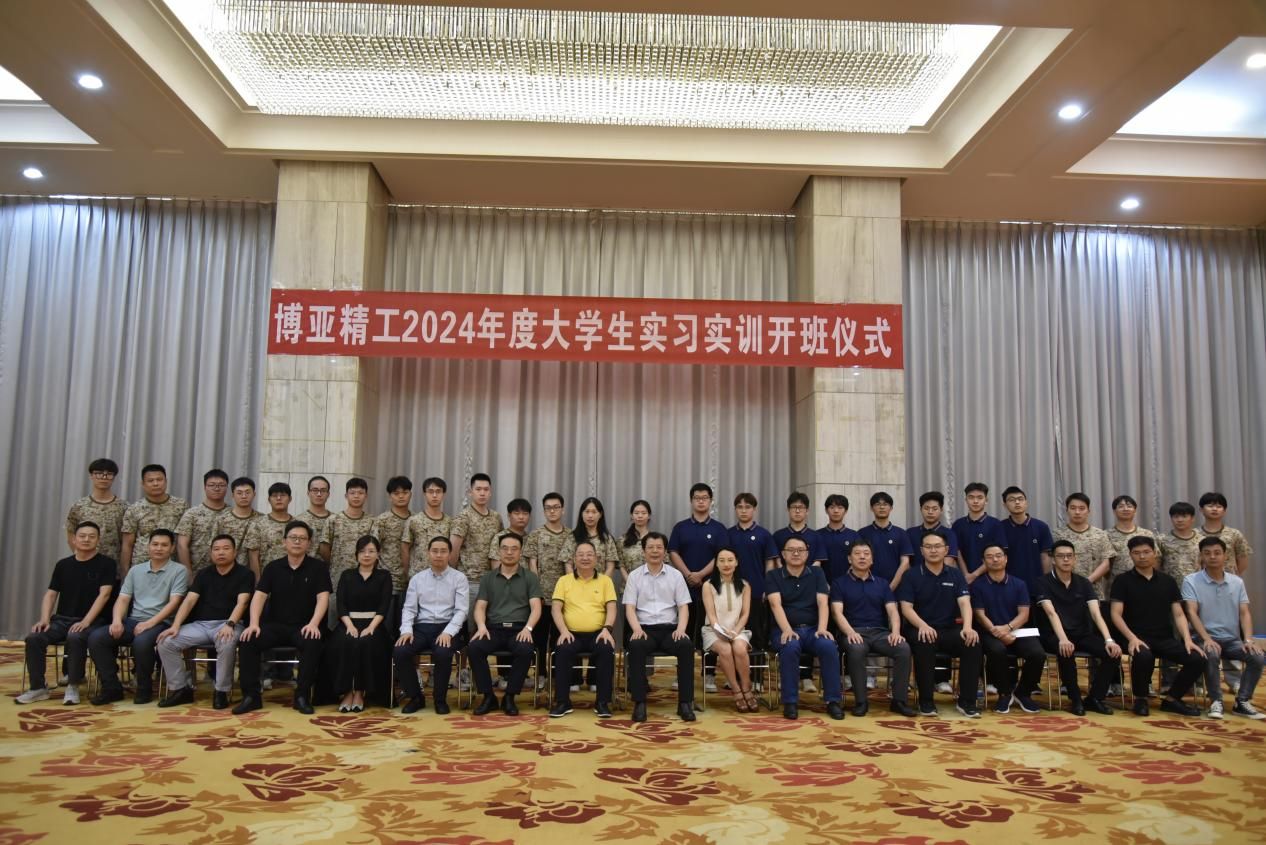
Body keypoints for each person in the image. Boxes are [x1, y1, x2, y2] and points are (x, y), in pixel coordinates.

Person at [233, 521, 332, 715]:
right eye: (293, 538)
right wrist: (253, 624)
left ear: (309, 543)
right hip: (276, 625)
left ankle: (302, 696)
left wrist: (314, 624)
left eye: (302, 538)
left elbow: (323, 598)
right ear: (284, 542)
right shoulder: (273, 567)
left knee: (313, 641)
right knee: (248, 639)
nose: (297, 542)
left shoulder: (318, 568)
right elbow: (259, 596)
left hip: (304, 626)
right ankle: (251, 697)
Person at [17, 521, 115, 705]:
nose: (86, 539)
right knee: (34, 638)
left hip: (92, 621)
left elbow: (104, 595)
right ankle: (38, 688)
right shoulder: (63, 565)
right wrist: (44, 619)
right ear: (74, 539)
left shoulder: (107, 564)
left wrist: (86, 621)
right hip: (62, 620)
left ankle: (73, 685)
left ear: (98, 540)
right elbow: (51, 594)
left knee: (75, 636)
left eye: (92, 536)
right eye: (82, 536)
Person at [87, 529, 188, 705]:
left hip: (161, 622)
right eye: (155, 544)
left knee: (141, 642)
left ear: (172, 548)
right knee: (97, 638)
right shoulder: (136, 570)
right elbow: (123, 599)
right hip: (133, 621)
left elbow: (174, 603)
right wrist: (117, 620)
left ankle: (144, 687)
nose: (159, 548)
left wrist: (149, 623)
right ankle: (111, 687)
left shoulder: (179, 570)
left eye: (164, 545)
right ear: (148, 546)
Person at [1109, 535, 1206, 717]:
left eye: (1146, 552)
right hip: (1133, 637)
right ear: (1130, 555)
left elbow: (1178, 614)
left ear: (1154, 553)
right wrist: (1132, 638)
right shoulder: (1122, 580)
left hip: (1163, 637)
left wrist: (1187, 639)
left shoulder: (1167, 581)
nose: (1142, 556)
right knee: (1144, 655)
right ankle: (1140, 699)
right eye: (1136, 553)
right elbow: (1115, 614)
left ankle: (1172, 699)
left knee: (1197, 658)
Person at [155, 534, 254, 709]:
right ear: (211, 553)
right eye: (216, 549)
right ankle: (180, 689)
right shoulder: (203, 574)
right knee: (166, 641)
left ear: (235, 552)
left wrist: (230, 624)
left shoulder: (245, 574)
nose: (221, 552)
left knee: (226, 641)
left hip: (229, 624)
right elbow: (189, 601)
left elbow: (243, 602)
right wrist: (175, 625)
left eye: (226, 549)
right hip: (201, 625)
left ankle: (221, 691)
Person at [898, 533, 982, 718]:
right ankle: (926, 701)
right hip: (919, 628)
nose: (933, 550)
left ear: (946, 550)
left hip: (949, 628)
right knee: (925, 642)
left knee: (972, 643)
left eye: (937, 546)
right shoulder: (911, 575)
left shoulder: (955, 574)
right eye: (928, 547)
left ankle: (967, 701)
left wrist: (968, 627)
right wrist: (923, 626)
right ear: (922, 551)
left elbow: (964, 603)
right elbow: (906, 608)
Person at [1034, 539, 1122, 715]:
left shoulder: (1083, 583)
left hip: (1081, 633)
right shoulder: (1042, 582)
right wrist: (1063, 639)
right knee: (1066, 651)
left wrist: (1109, 640)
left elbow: (1096, 614)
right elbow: (1051, 613)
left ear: (1075, 559)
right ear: (1053, 560)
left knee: (1112, 653)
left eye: (1069, 556)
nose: (1066, 560)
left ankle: (1094, 698)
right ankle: (1075, 700)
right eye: (1061, 556)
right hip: (1054, 634)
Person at [1181, 536, 1265, 719]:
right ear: (1201, 556)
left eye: (1217, 553)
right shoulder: (1191, 580)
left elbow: (1244, 613)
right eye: (1207, 553)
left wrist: (1248, 639)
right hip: (1203, 638)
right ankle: (1216, 701)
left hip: (1232, 640)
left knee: (1257, 657)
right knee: (1210, 653)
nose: (1212, 557)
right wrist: (1206, 638)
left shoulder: (1237, 582)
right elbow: (1191, 613)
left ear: (1225, 556)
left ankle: (1242, 701)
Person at [829, 540, 914, 717]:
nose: (862, 557)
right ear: (849, 559)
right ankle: (861, 701)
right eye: (857, 553)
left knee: (903, 648)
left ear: (872, 559)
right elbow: (837, 613)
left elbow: (893, 611)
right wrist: (850, 632)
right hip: (853, 632)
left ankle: (899, 701)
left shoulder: (882, 584)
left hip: (880, 633)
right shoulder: (839, 583)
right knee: (856, 649)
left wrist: (896, 632)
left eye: (866, 554)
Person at [766, 537, 844, 720]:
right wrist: (787, 629)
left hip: (812, 629)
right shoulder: (774, 575)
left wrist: (822, 628)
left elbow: (823, 603)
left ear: (807, 554)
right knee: (790, 646)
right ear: (783, 554)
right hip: (784, 629)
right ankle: (790, 702)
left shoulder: (817, 573)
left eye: (800, 550)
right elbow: (775, 605)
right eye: (791, 550)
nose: (796, 553)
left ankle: (833, 701)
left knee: (828, 646)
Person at [624, 532, 696, 722]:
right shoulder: (634, 576)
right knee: (636, 646)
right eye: (650, 547)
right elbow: (630, 608)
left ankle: (685, 703)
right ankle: (639, 703)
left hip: (670, 629)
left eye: (659, 548)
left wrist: (681, 630)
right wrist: (636, 629)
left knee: (686, 646)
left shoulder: (676, 575)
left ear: (665, 552)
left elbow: (683, 606)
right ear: (643, 551)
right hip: (644, 629)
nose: (655, 551)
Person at [469, 532, 541, 716]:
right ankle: (488, 697)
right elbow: (480, 607)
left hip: (519, 629)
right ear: (499, 551)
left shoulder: (530, 577)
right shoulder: (488, 578)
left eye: (514, 549)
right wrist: (481, 626)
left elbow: (536, 607)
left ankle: (510, 696)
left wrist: (528, 629)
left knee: (525, 650)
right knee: (475, 647)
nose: (509, 552)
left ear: (520, 552)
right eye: (505, 548)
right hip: (493, 628)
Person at [395, 536, 468, 714]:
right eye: (435, 551)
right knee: (401, 651)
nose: (439, 555)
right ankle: (416, 697)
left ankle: (439, 699)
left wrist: (448, 632)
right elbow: (409, 609)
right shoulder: (417, 579)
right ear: (428, 553)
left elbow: (461, 611)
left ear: (450, 554)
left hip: (447, 627)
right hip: (421, 628)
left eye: (443, 551)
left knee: (443, 652)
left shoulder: (459, 578)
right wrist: (406, 631)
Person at [970, 543, 1046, 714]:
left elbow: (1024, 614)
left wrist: (1008, 628)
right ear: (983, 561)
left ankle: (1023, 692)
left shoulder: (1019, 584)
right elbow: (980, 615)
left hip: (1016, 629)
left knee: (1037, 654)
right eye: (990, 557)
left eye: (998, 555)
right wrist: (998, 632)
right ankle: (1004, 692)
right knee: (997, 650)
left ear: (1006, 559)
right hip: (990, 631)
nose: (995, 559)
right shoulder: (977, 586)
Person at [669, 483, 728, 692]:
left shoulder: (719, 529)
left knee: (710, 631)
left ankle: (709, 675)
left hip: (710, 589)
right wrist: (688, 575)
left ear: (711, 501)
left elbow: (722, 556)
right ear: (691, 500)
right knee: (683, 631)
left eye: (705, 498)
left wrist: (701, 575)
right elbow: (673, 552)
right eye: (697, 498)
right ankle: (681, 674)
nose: (701, 501)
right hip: (684, 588)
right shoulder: (681, 527)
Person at [549, 540, 618, 718]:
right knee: (562, 650)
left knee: (606, 649)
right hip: (570, 633)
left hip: (598, 633)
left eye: (589, 554)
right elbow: (556, 609)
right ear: (574, 558)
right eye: (581, 554)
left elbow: (611, 608)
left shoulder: (605, 581)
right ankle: (562, 702)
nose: (585, 558)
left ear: (596, 558)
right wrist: (563, 631)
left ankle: (602, 702)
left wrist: (607, 629)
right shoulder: (564, 581)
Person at [331, 536, 393, 712]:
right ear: (356, 554)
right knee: (345, 642)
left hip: (374, 624)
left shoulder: (384, 576)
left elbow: (384, 606)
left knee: (366, 642)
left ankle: (359, 692)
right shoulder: (347, 575)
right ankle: (347, 692)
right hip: (348, 622)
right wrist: (349, 626)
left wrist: (371, 627)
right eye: (362, 551)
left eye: (371, 551)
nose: (366, 555)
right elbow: (341, 604)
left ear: (378, 554)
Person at [525, 493, 571, 690]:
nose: (552, 511)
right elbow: (532, 565)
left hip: (564, 597)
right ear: (544, 511)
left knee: (560, 637)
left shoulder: (571, 535)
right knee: (540, 638)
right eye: (548, 508)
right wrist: (537, 593)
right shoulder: (536, 534)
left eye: (556, 507)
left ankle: (557, 674)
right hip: (542, 596)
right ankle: (541, 673)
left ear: (563, 510)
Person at [701, 548, 755, 712]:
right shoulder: (708, 585)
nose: (726, 564)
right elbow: (711, 615)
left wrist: (735, 631)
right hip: (713, 630)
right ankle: (736, 690)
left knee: (739, 648)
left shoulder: (745, 585)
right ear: (716, 564)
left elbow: (745, 614)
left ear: (736, 562)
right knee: (725, 649)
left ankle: (746, 686)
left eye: (730, 560)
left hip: (738, 630)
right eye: (722, 560)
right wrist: (720, 631)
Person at [728, 493, 778, 654]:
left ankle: (757, 670)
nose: (743, 511)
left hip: (757, 590)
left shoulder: (764, 534)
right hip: (733, 591)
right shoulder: (728, 534)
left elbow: (770, 563)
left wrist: (767, 587)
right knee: (734, 632)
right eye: (740, 507)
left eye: (748, 507)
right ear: (735, 509)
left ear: (754, 509)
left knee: (757, 633)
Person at [119, 464, 189, 577]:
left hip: (171, 568)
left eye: (159, 480)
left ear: (166, 481)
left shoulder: (181, 505)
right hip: (141, 566)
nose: (155, 483)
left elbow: (184, 541)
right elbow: (127, 544)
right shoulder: (134, 509)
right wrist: (125, 573)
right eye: (150, 480)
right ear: (143, 484)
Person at [450, 473, 504, 610]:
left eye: (486, 489)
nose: (482, 493)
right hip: (469, 580)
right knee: (470, 621)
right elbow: (453, 550)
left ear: (490, 492)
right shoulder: (463, 517)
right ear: (470, 492)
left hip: (492, 580)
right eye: (478, 489)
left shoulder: (496, 517)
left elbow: (501, 547)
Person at [1052, 493, 1115, 600]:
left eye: (1082, 508)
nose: (1077, 512)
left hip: (1094, 591)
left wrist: (1086, 582)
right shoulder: (1057, 534)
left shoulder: (1100, 534)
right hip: (1065, 590)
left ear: (1088, 511)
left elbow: (1106, 564)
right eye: (1073, 508)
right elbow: (1052, 562)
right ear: (1067, 510)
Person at [65, 458, 126, 564]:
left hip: (113, 564)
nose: (104, 477)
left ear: (114, 477)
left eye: (109, 474)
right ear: (91, 476)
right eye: (99, 473)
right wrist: (79, 556)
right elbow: (71, 533)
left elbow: (126, 540)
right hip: (85, 563)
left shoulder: (123, 507)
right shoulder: (79, 506)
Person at [998, 486, 1053, 594]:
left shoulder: (1041, 527)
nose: (1017, 502)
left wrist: (1046, 582)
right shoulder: (1000, 528)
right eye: (1012, 500)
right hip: (1009, 586)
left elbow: (1046, 557)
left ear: (1026, 503)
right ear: (1005, 505)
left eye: (1020, 499)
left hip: (1037, 585)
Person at [176, 469, 230, 577]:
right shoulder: (192, 514)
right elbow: (182, 545)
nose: (217, 488)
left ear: (227, 487)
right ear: (205, 487)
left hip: (228, 573)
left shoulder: (232, 514)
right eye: (212, 485)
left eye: (221, 485)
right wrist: (188, 573)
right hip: (197, 573)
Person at [952, 482, 1007, 584]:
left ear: (986, 500)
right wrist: (966, 575)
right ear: (966, 500)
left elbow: (998, 554)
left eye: (980, 497)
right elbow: (957, 552)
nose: (975, 501)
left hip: (990, 579)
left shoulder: (995, 524)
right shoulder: (958, 524)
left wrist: (974, 575)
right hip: (964, 579)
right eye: (971, 497)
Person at [1105, 495, 1156, 603]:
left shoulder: (1146, 534)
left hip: (1144, 584)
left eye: (1129, 506)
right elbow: (1104, 564)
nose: (1125, 509)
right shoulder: (1106, 535)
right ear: (1114, 511)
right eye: (1121, 506)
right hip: (1116, 587)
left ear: (1135, 510)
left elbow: (1155, 559)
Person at [371, 476, 413, 609]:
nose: (401, 496)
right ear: (390, 496)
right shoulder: (382, 520)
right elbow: (372, 549)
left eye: (405, 492)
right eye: (396, 493)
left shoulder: (416, 520)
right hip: (388, 582)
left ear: (410, 494)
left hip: (412, 582)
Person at [326, 477, 375, 589]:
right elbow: (325, 548)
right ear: (346, 495)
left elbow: (375, 548)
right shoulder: (333, 520)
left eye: (360, 493)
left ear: (366, 496)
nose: (356, 496)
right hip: (337, 577)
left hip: (365, 577)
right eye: (352, 493)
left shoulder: (372, 521)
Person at [858, 491, 913, 589]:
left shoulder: (901, 533)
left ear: (891, 508)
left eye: (885, 504)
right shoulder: (862, 533)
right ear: (871, 508)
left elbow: (905, 563)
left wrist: (891, 588)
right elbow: (857, 561)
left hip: (897, 588)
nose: (882, 507)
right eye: (877, 504)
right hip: (867, 587)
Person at [401, 477, 453, 579]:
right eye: (430, 491)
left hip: (443, 577)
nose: (434, 495)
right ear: (424, 494)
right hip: (417, 576)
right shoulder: (414, 520)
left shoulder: (450, 522)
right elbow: (405, 548)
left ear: (444, 494)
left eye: (438, 491)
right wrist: (408, 573)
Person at [244, 482, 295, 580]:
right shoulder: (258, 524)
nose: (279, 498)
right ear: (269, 499)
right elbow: (253, 556)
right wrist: (258, 582)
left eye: (283, 495)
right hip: (267, 579)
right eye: (274, 496)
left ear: (290, 499)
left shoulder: (298, 525)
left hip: (293, 578)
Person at [907, 491, 961, 570]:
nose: (930, 512)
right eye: (926, 508)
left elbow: (948, 562)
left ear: (941, 510)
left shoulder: (949, 534)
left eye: (934, 509)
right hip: (914, 576)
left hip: (940, 576)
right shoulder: (910, 533)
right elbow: (906, 561)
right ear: (921, 509)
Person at [217, 477, 264, 569]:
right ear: (233, 495)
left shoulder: (262, 520)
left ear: (254, 494)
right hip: (227, 570)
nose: (244, 496)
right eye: (239, 493)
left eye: (247, 492)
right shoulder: (221, 519)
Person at [1157, 502, 1204, 583]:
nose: (1180, 520)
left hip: (1196, 585)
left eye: (1184, 516)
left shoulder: (1202, 540)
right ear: (1171, 518)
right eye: (1176, 516)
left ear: (1192, 518)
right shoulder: (1162, 540)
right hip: (1170, 585)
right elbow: (1156, 566)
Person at [820, 494, 861, 584]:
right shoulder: (817, 535)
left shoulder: (854, 535)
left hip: (849, 584)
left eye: (840, 507)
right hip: (822, 585)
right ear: (826, 510)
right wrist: (823, 584)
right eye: (832, 507)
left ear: (846, 511)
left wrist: (845, 583)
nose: (836, 511)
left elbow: (857, 561)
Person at [299, 476, 334, 558]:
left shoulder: (336, 520)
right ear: (308, 493)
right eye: (315, 490)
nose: (319, 494)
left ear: (328, 494)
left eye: (323, 490)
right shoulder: (299, 520)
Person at [620, 499, 652, 582]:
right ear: (631, 516)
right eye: (636, 513)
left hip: (652, 585)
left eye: (643, 513)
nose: (640, 516)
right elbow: (621, 565)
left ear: (649, 516)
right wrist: (630, 582)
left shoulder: (655, 539)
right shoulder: (622, 539)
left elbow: (663, 562)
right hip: (628, 584)